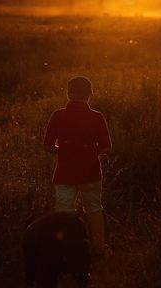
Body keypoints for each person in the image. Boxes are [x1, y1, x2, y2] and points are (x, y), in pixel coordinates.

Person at [43, 76, 112, 256]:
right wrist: (88, 151)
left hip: (64, 172)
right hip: (91, 172)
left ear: (68, 93)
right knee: (94, 210)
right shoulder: (97, 117)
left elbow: (48, 146)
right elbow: (106, 147)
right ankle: (99, 248)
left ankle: (64, 250)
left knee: (63, 212)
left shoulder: (58, 115)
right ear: (89, 94)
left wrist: (65, 150)